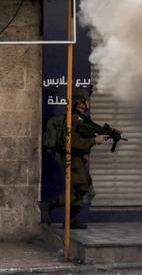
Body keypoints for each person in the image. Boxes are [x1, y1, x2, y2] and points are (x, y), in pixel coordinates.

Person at [39, 87, 109, 229]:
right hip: (72, 160)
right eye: (86, 101)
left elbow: (79, 139)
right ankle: (49, 204)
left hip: (77, 160)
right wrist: (95, 141)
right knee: (83, 192)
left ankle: (69, 221)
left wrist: (91, 141)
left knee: (87, 192)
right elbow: (72, 143)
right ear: (80, 102)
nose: (88, 104)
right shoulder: (74, 119)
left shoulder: (79, 119)